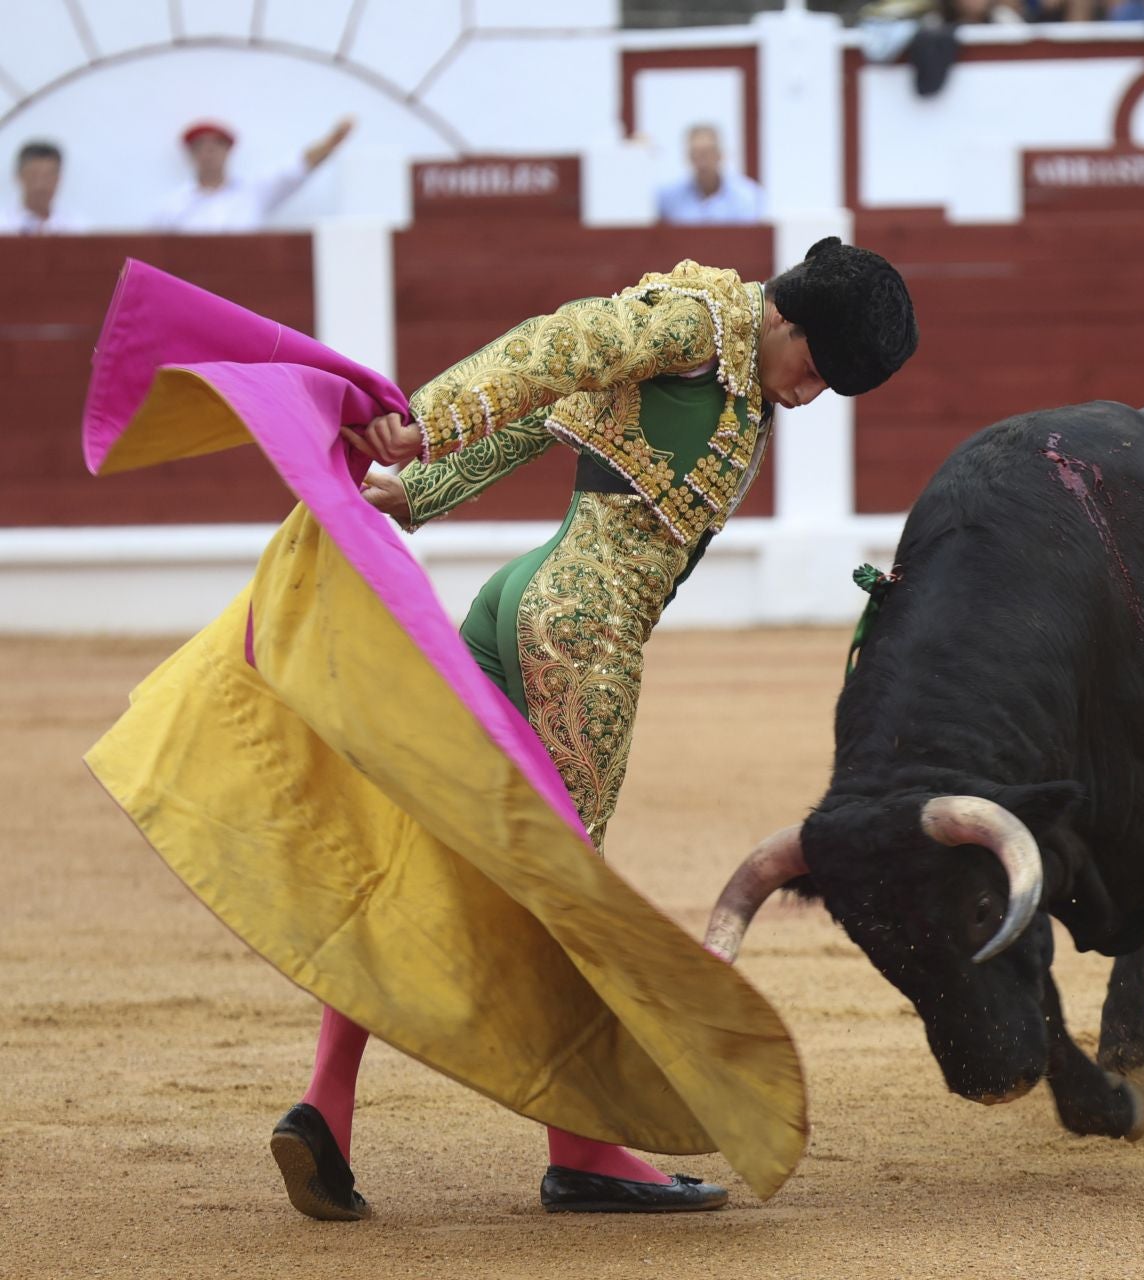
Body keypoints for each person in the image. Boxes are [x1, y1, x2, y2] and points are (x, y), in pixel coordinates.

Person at [261, 237, 917, 1221]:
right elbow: (560, 345)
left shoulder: (732, 359)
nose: (812, 394)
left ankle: (327, 1104)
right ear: (786, 320)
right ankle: (584, 1151)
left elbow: (557, 416)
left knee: (427, 843)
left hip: (518, 603)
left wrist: (423, 488)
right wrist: (423, 423)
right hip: (581, 635)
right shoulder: (700, 325)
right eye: (816, 370)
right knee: (566, 893)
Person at [153, 116, 354, 232]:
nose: (209, 152)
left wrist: (332, 141)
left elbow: (295, 168)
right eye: (200, 146)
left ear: (228, 150)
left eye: (216, 145)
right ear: (191, 155)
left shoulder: (252, 193)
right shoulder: (173, 205)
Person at [655, 125, 766, 225]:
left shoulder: (747, 195)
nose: (702, 162)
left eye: (707, 153)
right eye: (696, 154)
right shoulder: (667, 197)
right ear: (687, 157)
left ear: (720, 155)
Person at [2, 140, 85, 235]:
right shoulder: (3, 225)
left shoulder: (77, 228)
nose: (41, 184)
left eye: (48, 176)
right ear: (19, 176)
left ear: (58, 179)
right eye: (33, 175)